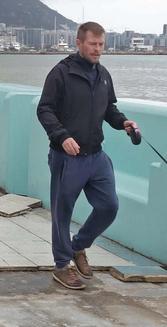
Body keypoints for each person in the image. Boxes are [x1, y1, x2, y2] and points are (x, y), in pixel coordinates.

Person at [35, 22, 137, 290]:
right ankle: (62, 266)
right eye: (93, 44)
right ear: (79, 43)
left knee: (109, 206)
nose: (98, 49)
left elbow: (109, 108)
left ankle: (78, 245)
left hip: (96, 157)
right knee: (62, 213)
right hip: (67, 156)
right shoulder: (60, 73)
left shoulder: (102, 74)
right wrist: (62, 136)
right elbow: (45, 110)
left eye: (101, 45)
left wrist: (123, 123)